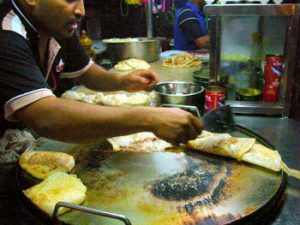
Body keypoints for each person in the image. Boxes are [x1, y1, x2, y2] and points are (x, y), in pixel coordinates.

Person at [0, 0, 204, 146]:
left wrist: (123, 82)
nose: (80, 10)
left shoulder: (56, 25)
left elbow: (86, 72)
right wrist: (150, 119)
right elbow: (44, 116)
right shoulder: (7, 34)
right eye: (70, 0)